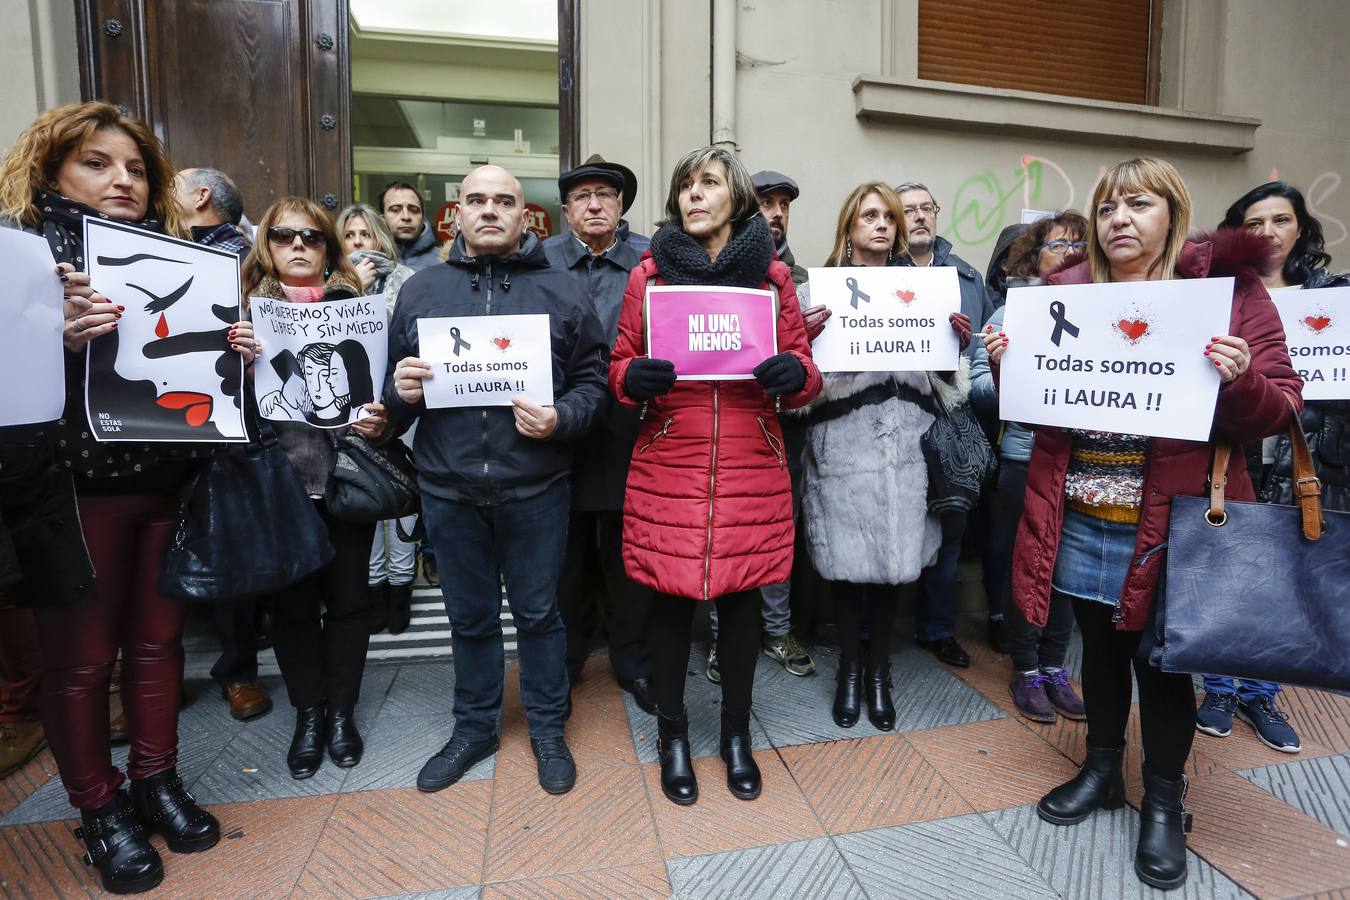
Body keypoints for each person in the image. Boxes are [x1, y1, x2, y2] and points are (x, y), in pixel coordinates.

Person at [984, 157, 1299, 890]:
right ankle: (1101, 773)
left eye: (1137, 204)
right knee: (1097, 651)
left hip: (1176, 523)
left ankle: (1163, 802)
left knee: (1162, 667)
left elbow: (1281, 405)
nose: (1118, 219)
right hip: (1085, 517)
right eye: (1106, 208)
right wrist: (1009, 367)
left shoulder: (1225, 296)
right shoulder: (1065, 291)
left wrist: (1242, 376)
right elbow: (1042, 406)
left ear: (1173, 214)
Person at [0, 100, 242, 894]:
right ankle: (99, 810)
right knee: (81, 665)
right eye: (98, 163)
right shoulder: (20, 256)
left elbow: (196, 374)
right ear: (52, 168)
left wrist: (238, 349)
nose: (122, 179)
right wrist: (50, 335)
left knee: (158, 646)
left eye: (136, 167)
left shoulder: (176, 253)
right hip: (73, 488)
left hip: (168, 479)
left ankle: (155, 781)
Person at [609, 146, 823, 805]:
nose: (695, 195)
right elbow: (617, 366)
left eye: (708, 184)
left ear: (734, 196)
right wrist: (632, 380)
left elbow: (806, 374)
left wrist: (796, 379)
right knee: (671, 610)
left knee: (740, 610)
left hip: (749, 468)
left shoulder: (772, 279)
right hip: (670, 465)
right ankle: (672, 734)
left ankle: (735, 737)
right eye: (685, 186)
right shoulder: (649, 275)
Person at [389, 164, 607, 797]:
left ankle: (546, 728)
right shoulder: (422, 291)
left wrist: (562, 417)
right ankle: (474, 727)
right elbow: (394, 395)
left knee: (541, 615)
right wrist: (399, 394)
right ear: (456, 213)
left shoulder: (563, 292)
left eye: (504, 200)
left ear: (525, 216)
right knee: (469, 618)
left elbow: (594, 383)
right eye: (477, 199)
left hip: (536, 487)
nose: (490, 209)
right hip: (448, 488)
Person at [798, 182, 973, 732]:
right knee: (848, 574)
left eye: (888, 218)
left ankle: (880, 672)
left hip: (907, 451)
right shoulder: (815, 296)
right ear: (849, 227)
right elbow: (798, 392)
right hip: (843, 452)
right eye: (868, 216)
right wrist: (804, 346)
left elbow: (950, 389)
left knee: (895, 572)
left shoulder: (924, 292)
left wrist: (952, 353)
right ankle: (851, 669)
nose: (881, 225)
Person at [1194, 181, 1350, 753]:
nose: (1267, 233)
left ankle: (1261, 692)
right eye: (1252, 223)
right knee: (1226, 572)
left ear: (1302, 229)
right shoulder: (1217, 293)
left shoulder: (1335, 298)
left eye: (1280, 220)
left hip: (1305, 456)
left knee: (1283, 577)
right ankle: (1217, 686)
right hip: (1236, 457)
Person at [241, 197, 387, 781]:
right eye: (283, 235)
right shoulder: (243, 316)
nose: (298, 245)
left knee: (351, 603)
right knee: (293, 609)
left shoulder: (359, 311)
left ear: (329, 248)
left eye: (312, 236)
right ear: (267, 246)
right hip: (280, 484)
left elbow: (385, 390)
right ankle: (309, 713)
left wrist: (383, 417)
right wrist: (237, 361)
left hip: (348, 480)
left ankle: (343, 713)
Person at [702, 170, 823, 686]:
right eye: (765, 203)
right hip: (723, 424)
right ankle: (719, 640)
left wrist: (804, 350)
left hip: (783, 428)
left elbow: (810, 369)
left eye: (784, 205)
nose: (776, 212)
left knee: (777, 533)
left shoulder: (801, 280)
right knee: (721, 532)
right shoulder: (709, 269)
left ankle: (775, 630)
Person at [544, 155, 656, 714]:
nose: (594, 204)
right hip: (554, 428)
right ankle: (564, 660)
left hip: (629, 429)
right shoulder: (538, 262)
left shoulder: (649, 262)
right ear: (565, 211)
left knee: (625, 551)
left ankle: (632, 659)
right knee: (562, 553)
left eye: (605, 195)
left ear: (620, 207)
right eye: (582, 196)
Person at [970, 211, 1088, 723]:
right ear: (1032, 256)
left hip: (1084, 464)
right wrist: (999, 366)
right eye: (1057, 244)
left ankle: (1056, 667)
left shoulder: (1105, 314)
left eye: (1079, 244)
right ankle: (1025, 668)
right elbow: (977, 391)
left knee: (1063, 572)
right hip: (1024, 459)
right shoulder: (1008, 316)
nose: (1069, 252)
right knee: (1029, 566)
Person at [175, 165, 273, 722]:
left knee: (227, 544)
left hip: (231, 422)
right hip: (166, 417)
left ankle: (237, 671)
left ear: (202, 197)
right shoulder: (153, 248)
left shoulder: (244, 262)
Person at [895, 181, 995, 669]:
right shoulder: (879, 272)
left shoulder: (968, 279)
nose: (918, 217)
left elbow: (976, 355)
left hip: (949, 419)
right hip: (893, 417)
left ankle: (936, 628)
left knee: (949, 528)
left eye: (925, 208)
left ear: (937, 213)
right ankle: (883, 629)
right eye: (907, 210)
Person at [336, 203, 419, 635]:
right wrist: (351, 287)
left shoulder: (406, 281)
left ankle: (401, 588)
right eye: (348, 237)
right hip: (349, 410)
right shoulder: (330, 283)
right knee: (364, 494)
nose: (357, 244)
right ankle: (373, 588)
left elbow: (407, 342)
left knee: (401, 495)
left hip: (399, 405)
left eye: (364, 235)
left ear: (379, 239)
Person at [380, 181, 441, 271]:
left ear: (423, 217)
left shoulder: (443, 261)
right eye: (395, 210)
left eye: (414, 210)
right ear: (382, 218)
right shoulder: (370, 261)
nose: (406, 217)